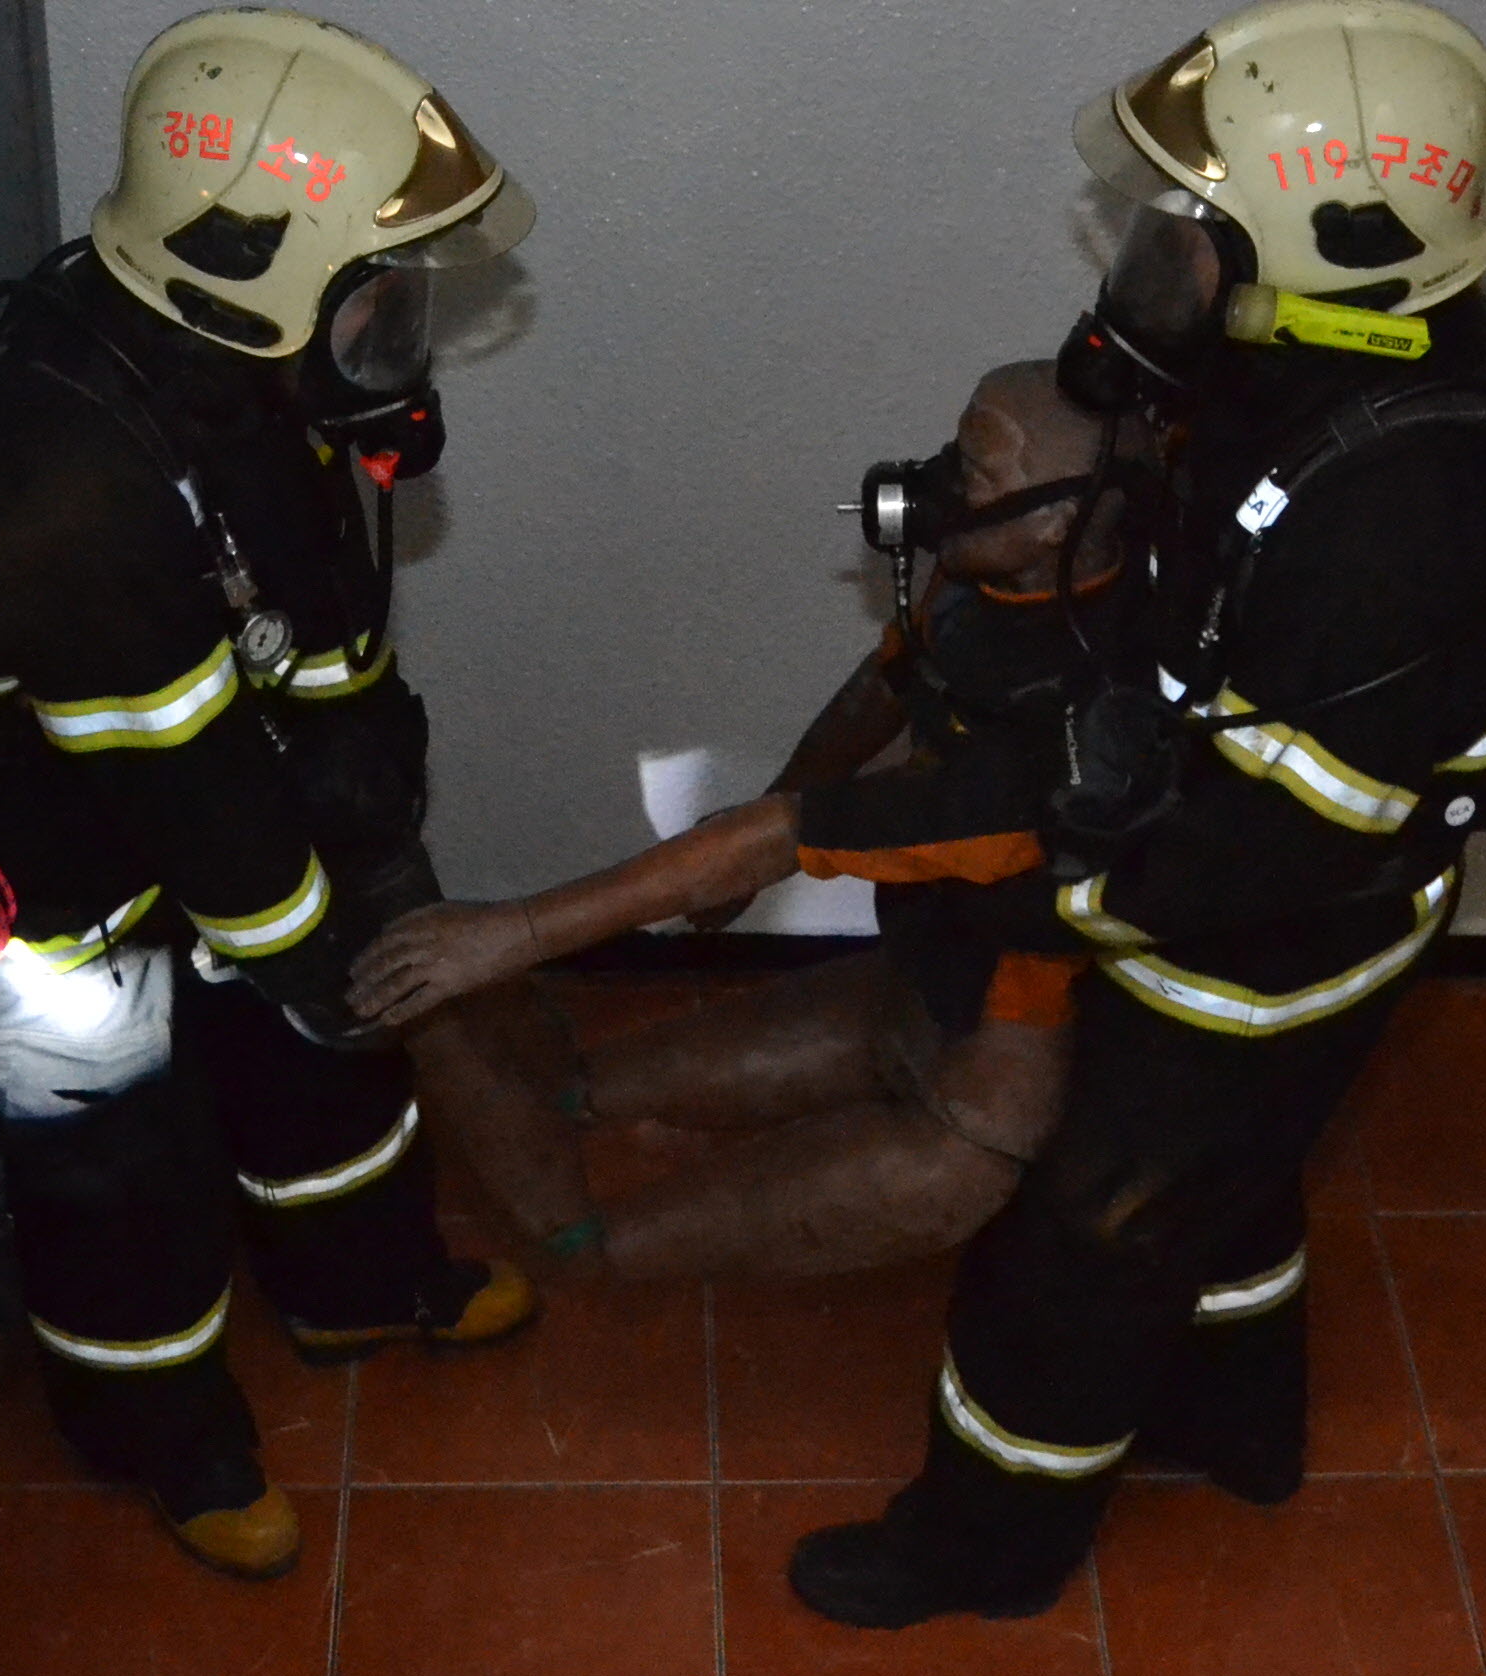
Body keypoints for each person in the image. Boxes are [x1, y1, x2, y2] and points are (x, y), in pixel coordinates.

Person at [783, 0, 1486, 1629]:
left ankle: (983, 1545)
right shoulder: (1317, 367)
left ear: (1317, 254)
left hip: (1254, 954)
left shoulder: (1397, 512)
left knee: (1086, 1236)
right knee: (1236, 1180)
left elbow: (1282, 837)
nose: (1150, 263)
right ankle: (1234, 1421)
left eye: (1190, 234)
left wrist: (1069, 894)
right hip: (1277, 920)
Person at [0, 11, 541, 1580]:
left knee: (324, 1070)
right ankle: (165, 1433)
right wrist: (307, 936)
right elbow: (176, 767)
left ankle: (358, 1286)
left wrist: (363, 756)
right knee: (110, 1164)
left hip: (234, 813)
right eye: (380, 294)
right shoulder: (59, 479)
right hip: (67, 889)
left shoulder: (231, 362)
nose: (398, 332)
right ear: (267, 273)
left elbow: (304, 593)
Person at [344, 359, 1138, 1279]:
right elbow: (887, 687)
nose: (939, 486)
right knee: (571, 1088)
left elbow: (780, 837)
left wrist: (507, 935)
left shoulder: (1075, 728)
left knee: (597, 1251)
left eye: (976, 472)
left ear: (1057, 521)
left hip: (990, 1080)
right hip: (920, 976)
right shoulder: (987, 587)